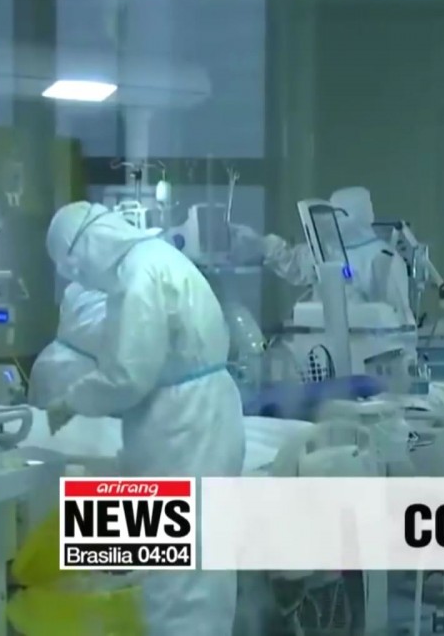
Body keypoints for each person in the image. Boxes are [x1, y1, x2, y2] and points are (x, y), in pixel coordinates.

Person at [44, 202, 245, 636]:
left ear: (86, 248)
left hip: (184, 425)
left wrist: (71, 401)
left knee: (179, 573)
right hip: (201, 415)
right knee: (200, 558)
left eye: (75, 267)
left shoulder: (139, 275)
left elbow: (126, 375)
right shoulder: (157, 260)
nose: (79, 278)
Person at [231, 186, 414, 324]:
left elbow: (396, 318)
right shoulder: (329, 251)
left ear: (357, 215)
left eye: (337, 215)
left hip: (368, 350)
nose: (331, 222)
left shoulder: (383, 258)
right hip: (324, 345)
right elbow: (293, 262)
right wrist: (258, 242)